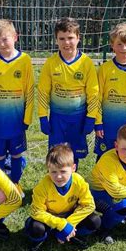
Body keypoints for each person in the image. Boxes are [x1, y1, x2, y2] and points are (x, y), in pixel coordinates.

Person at [0, 19, 34, 194]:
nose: (2, 44)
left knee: (17, 154)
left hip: (17, 120)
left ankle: (15, 184)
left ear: (15, 37)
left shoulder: (25, 60)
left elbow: (29, 91)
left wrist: (27, 117)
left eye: (5, 39)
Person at [38, 17, 99, 167]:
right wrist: (42, 117)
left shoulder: (86, 63)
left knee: (74, 154)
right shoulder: (50, 63)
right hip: (57, 118)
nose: (66, 42)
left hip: (79, 118)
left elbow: (93, 94)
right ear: (56, 40)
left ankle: (72, 178)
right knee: (56, 154)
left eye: (70, 38)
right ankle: (56, 179)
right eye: (62, 38)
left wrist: (91, 117)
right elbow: (43, 92)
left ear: (78, 38)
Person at [25, 143, 101, 251]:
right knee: (35, 227)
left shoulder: (79, 182)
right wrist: (61, 224)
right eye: (53, 172)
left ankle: (73, 235)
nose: (58, 176)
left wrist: (69, 224)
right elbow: (36, 212)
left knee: (95, 221)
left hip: (69, 215)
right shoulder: (42, 186)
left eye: (63, 171)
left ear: (73, 168)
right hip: (49, 218)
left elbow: (89, 205)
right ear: (48, 169)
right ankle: (39, 241)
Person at [95, 22, 126, 158]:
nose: (123, 48)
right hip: (106, 126)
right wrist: (98, 122)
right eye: (119, 44)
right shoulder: (105, 69)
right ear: (112, 45)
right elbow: (97, 98)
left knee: (125, 157)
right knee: (104, 157)